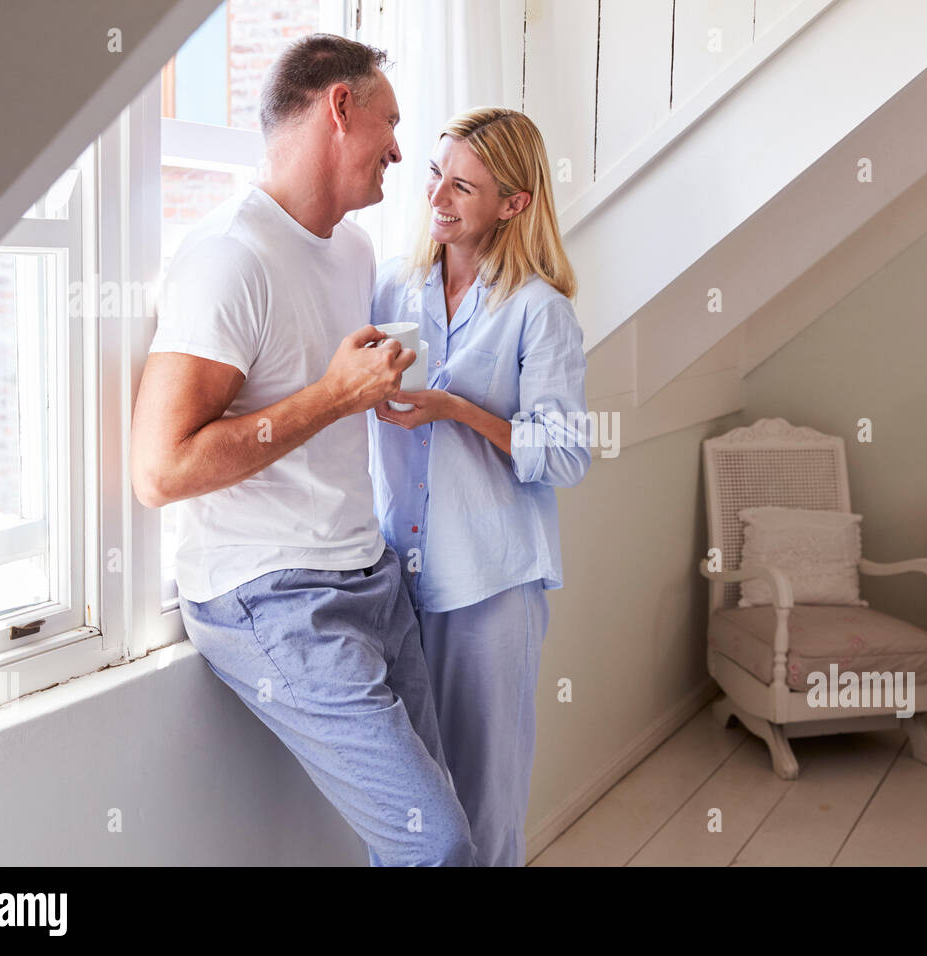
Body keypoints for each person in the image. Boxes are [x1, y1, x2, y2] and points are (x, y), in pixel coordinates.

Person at [130, 34, 475, 866]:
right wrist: (332, 398)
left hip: (371, 573)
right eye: (389, 122)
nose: (401, 149)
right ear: (339, 108)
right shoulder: (226, 258)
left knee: (430, 828)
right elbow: (160, 470)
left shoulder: (353, 250)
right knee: (441, 846)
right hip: (272, 593)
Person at [368, 107, 590, 866]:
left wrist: (457, 410)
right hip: (399, 575)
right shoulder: (392, 294)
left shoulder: (539, 311)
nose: (438, 197)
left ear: (513, 205)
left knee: (484, 804)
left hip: (492, 581)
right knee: (403, 803)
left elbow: (564, 456)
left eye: (464, 186)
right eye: (436, 174)